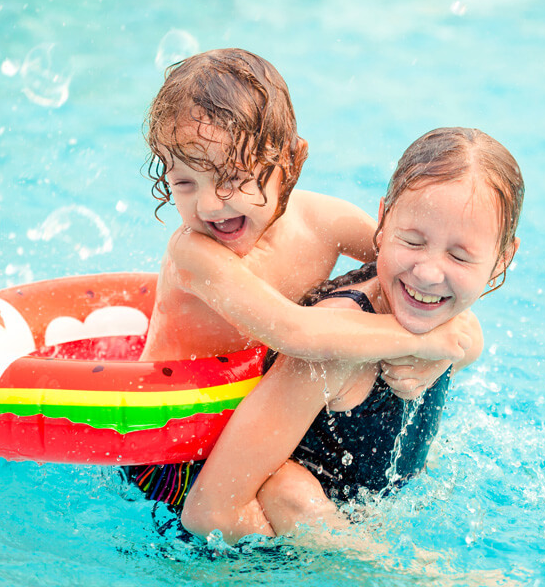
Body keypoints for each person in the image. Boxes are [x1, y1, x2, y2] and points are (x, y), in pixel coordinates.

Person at [126, 50, 474, 508]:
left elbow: (413, 271)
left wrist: (454, 342)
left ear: (290, 160)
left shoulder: (322, 222)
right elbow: (294, 333)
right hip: (172, 446)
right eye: (185, 183)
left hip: (259, 433)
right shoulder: (193, 254)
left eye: (232, 177)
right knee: (273, 508)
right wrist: (423, 341)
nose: (209, 205)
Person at [180, 127, 525, 543]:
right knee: (288, 491)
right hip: (287, 543)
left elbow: (468, 342)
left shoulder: (447, 323)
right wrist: (360, 561)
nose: (429, 273)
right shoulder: (331, 354)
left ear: (501, 258)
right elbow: (209, 512)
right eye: (412, 241)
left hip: (372, 511)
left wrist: (448, 351)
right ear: (383, 222)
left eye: (459, 256)